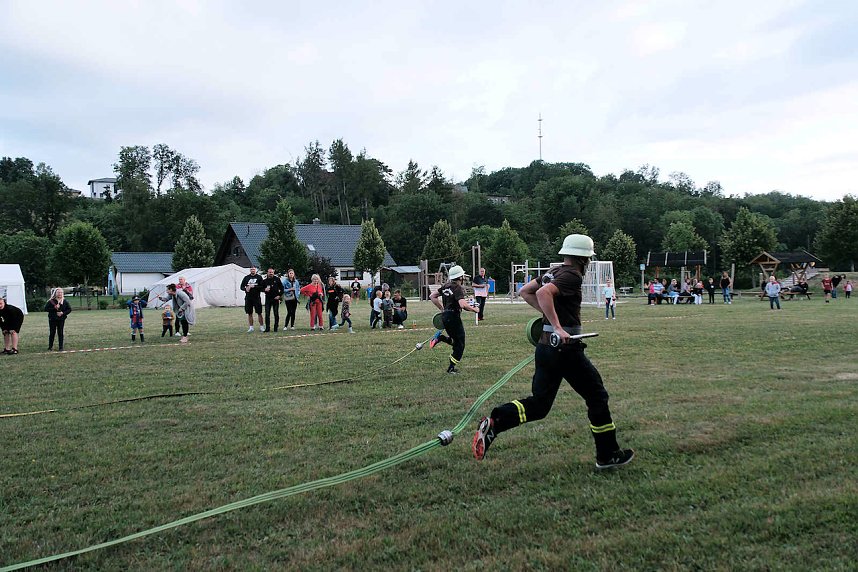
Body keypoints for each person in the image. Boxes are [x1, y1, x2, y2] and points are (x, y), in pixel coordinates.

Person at [471, 234, 634, 470]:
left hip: (546, 348)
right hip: (565, 350)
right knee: (597, 396)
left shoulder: (554, 271)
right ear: (585, 258)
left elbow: (525, 291)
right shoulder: (571, 275)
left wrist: (548, 317)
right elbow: (541, 294)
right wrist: (557, 325)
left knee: (540, 405)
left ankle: (496, 421)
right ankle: (607, 455)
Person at [429, 264, 479, 374]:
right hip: (454, 318)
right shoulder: (457, 288)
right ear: (460, 277)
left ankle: (440, 338)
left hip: (445, 317)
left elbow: (432, 296)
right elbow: (462, 305)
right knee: (460, 345)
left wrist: (442, 308)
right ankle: (451, 368)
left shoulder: (446, 286)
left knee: (456, 341)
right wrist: (475, 310)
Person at [240, 267, 264, 332]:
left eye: (253, 269)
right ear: (250, 270)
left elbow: (262, 287)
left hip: (256, 298)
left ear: (255, 270)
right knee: (249, 313)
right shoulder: (246, 278)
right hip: (248, 298)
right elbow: (241, 287)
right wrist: (246, 288)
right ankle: (251, 327)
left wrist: (254, 286)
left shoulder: (259, 277)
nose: (252, 270)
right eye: (251, 269)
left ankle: (261, 327)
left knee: (259, 312)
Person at [261, 268, 283, 332]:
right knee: (267, 314)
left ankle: (276, 328)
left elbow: (282, 288)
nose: (271, 273)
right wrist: (264, 289)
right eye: (269, 272)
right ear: (267, 273)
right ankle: (267, 328)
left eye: (272, 272)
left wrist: (279, 295)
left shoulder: (277, 279)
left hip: (275, 299)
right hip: (268, 299)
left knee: (276, 313)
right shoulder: (264, 281)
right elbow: (260, 288)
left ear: (273, 273)